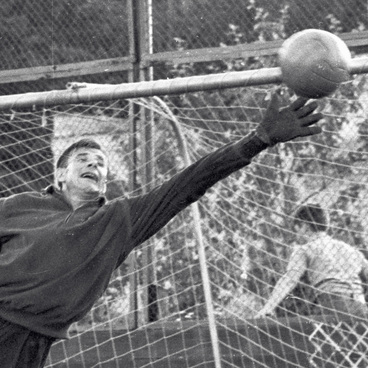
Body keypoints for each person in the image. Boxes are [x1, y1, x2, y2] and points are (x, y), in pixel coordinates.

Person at [0, 92, 323, 367]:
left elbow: (188, 184)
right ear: (60, 175)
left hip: (31, 340)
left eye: (100, 163)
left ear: (104, 181)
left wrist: (258, 140)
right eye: (83, 159)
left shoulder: (118, 220)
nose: (93, 165)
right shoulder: (20, 206)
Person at [255, 203, 368, 323]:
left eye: (296, 230)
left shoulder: (305, 249)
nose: (297, 236)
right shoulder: (349, 249)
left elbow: (289, 279)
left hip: (334, 303)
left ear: (304, 226)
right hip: (360, 306)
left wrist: (267, 308)